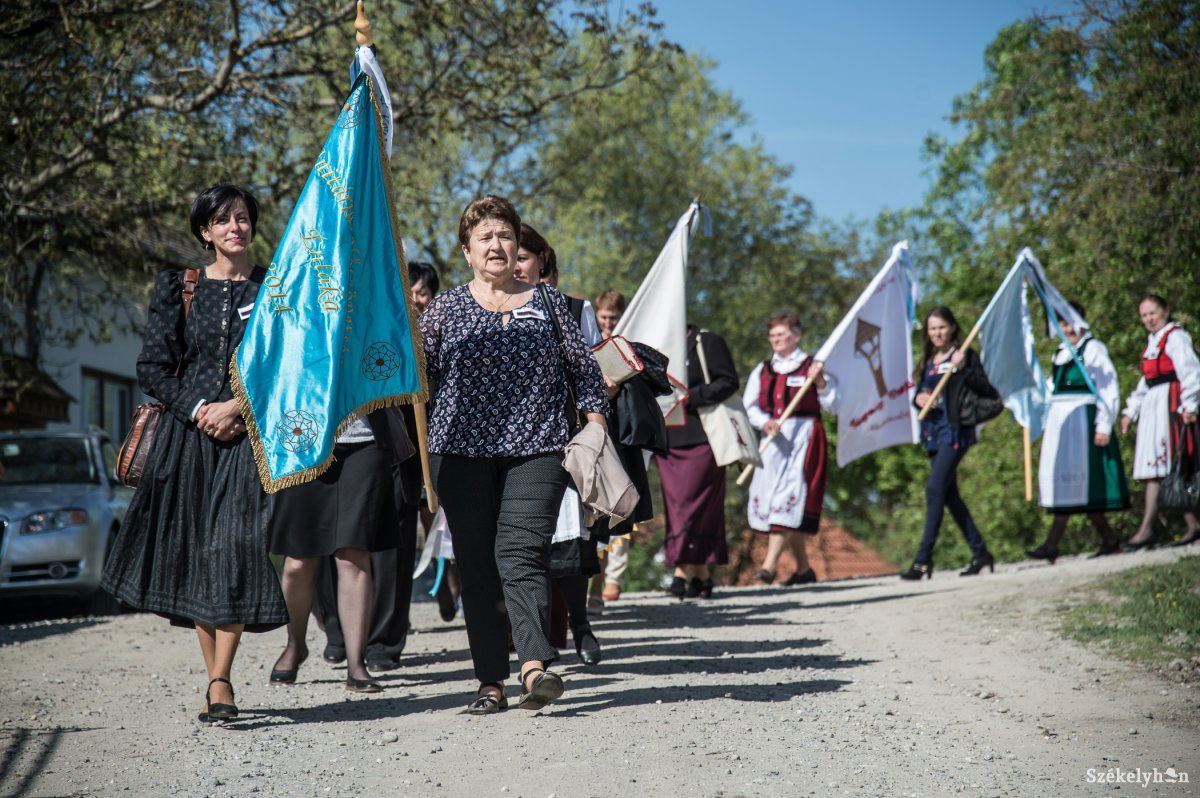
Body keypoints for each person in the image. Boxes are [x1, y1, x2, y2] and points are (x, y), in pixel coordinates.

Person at [102, 184, 288, 722]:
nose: (236, 227)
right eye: (223, 220)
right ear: (205, 232)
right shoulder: (177, 287)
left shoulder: (278, 288)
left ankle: (221, 679)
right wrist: (203, 407)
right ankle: (217, 681)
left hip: (248, 442)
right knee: (198, 559)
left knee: (233, 547)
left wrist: (237, 408)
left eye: (244, 218)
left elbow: (291, 368)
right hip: (186, 442)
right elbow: (152, 369)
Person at [419, 196, 608, 713]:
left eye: (504, 236)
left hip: (538, 448)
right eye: (485, 238)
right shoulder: (444, 310)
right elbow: (418, 377)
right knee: (478, 567)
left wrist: (594, 425)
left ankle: (533, 666)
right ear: (467, 251)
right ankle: (489, 682)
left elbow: (584, 370)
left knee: (522, 555)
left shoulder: (548, 304)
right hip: (460, 453)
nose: (497, 245)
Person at [311, 262, 440, 669]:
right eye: (410, 290)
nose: (416, 299)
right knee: (331, 539)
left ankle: (384, 641)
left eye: (422, 292)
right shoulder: (342, 314)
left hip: (396, 448)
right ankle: (337, 630)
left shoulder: (417, 331)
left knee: (391, 546)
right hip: (332, 442)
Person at [514, 222, 603, 666]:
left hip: (562, 440)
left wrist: (593, 424)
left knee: (567, 546)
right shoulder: (486, 308)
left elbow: (595, 371)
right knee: (521, 546)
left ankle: (581, 626)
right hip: (507, 445)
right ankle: (531, 643)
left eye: (523, 257)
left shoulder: (572, 307)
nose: (515, 265)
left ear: (541, 261)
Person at [901, 307, 997, 580]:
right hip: (932, 431)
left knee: (934, 489)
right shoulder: (930, 359)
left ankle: (922, 560)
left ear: (952, 328)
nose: (936, 333)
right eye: (932, 329)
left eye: (941, 327)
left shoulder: (964, 355)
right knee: (949, 496)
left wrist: (963, 367)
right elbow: (921, 391)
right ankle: (981, 553)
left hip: (954, 432)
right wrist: (918, 397)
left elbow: (985, 389)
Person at [1027, 303, 1129, 561]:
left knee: (1085, 482)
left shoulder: (1092, 349)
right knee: (1068, 484)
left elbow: (1108, 387)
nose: (1068, 329)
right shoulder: (1060, 353)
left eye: (1071, 323)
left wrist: (1104, 424)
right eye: (1063, 324)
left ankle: (1055, 544)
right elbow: (1049, 391)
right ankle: (1104, 539)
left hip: (1084, 421)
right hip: (1061, 424)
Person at [743, 313, 838, 585]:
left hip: (804, 439)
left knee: (788, 498)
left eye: (781, 335)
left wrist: (820, 382)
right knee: (775, 499)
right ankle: (804, 570)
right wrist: (766, 422)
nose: (776, 340)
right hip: (774, 442)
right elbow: (751, 406)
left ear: (796, 335)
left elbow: (833, 405)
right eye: (772, 335)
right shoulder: (763, 370)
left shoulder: (812, 366)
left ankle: (769, 566)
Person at [659, 325, 738, 599]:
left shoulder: (707, 341)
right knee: (677, 506)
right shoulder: (654, 342)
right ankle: (701, 575)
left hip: (703, 437)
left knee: (695, 506)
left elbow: (728, 381)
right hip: (668, 441)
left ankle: (681, 571)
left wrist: (693, 396)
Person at [1119, 294, 1200, 549]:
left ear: (1165, 310)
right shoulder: (1153, 342)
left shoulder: (1175, 337)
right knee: (1160, 469)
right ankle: (1191, 524)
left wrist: (1190, 405)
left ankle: (1146, 530)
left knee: (1173, 465)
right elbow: (1147, 380)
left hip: (1171, 405)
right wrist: (1130, 411)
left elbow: (1191, 371)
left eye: (1152, 313)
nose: (1149, 319)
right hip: (1154, 407)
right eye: (1144, 315)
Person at [591, 289, 631, 604]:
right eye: (603, 317)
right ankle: (594, 576)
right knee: (595, 507)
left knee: (617, 506)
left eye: (613, 318)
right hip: (594, 431)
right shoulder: (587, 340)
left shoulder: (628, 346)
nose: (607, 322)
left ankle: (610, 579)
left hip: (621, 432)